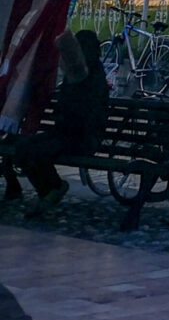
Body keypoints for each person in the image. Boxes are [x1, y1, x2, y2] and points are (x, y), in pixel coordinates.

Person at [1, 28, 108, 208]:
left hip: (84, 137)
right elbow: (63, 107)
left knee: (39, 150)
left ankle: (54, 188)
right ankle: (48, 190)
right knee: (23, 147)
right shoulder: (74, 73)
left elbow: (88, 114)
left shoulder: (95, 76)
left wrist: (74, 94)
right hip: (64, 132)